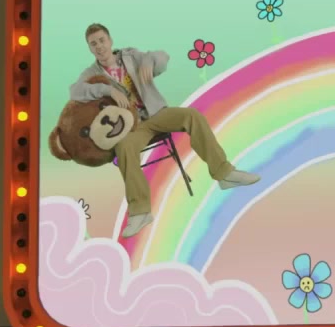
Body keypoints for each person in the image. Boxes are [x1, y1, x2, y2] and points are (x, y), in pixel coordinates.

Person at [69, 23, 260, 238]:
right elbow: (75, 91)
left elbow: (162, 57)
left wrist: (149, 62)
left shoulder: (130, 56)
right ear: (90, 48)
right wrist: (108, 90)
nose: (99, 46)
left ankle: (224, 174)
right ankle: (140, 212)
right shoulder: (91, 73)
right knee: (123, 147)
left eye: (102, 40)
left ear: (110, 40)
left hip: (157, 113)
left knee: (192, 116)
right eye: (93, 43)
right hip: (133, 128)